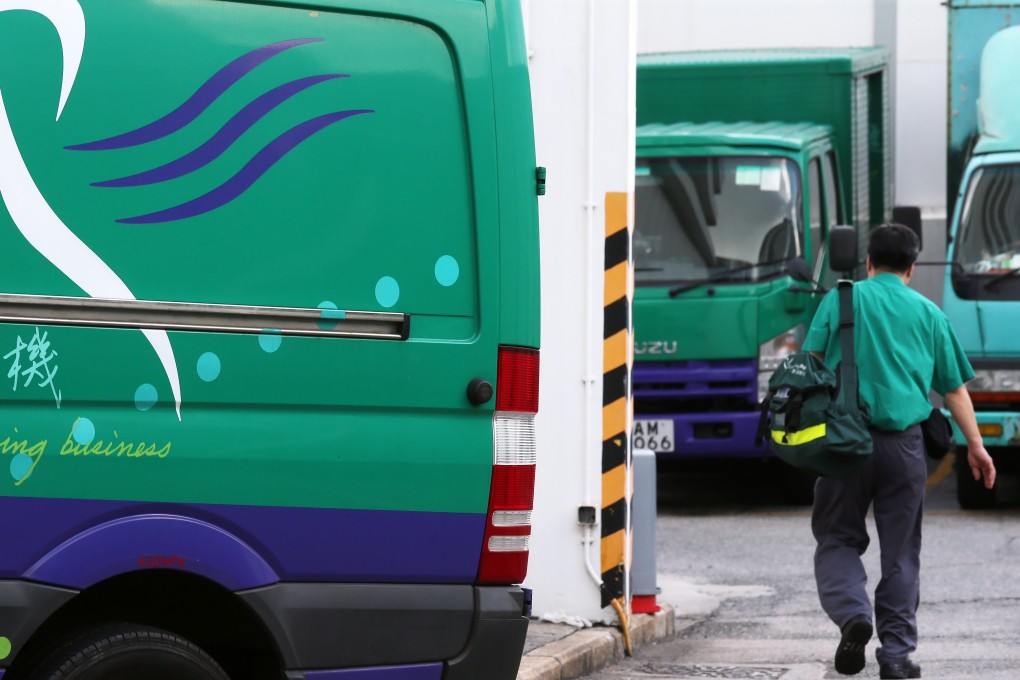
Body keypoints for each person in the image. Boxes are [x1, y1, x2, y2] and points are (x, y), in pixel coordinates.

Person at [803, 224, 996, 679]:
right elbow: (954, 392)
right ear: (912, 267)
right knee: (901, 553)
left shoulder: (840, 299)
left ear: (868, 262)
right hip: (904, 447)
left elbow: (809, 367)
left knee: (836, 538)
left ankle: (854, 616)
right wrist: (976, 446)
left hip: (843, 444)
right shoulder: (929, 314)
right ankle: (896, 655)